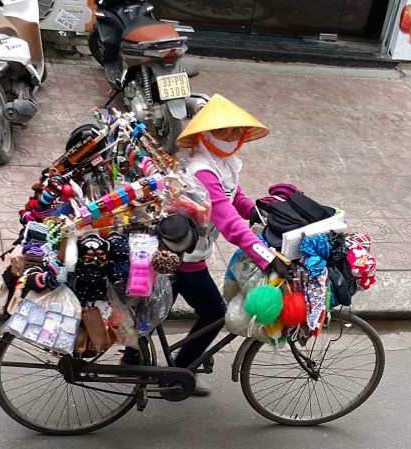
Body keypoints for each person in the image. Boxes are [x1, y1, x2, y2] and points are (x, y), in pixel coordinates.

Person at [123, 93, 289, 396]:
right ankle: (174, 372)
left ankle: (140, 363)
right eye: (222, 131)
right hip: (179, 259)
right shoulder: (202, 169)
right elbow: (228, 223)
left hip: (187, 255)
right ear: (204, 135)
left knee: (152, 315)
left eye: (234, 131)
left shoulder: (221, 163)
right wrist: (266, 256)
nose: (229, 137)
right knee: (212, 313)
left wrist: (253, 210)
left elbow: (232, 197)